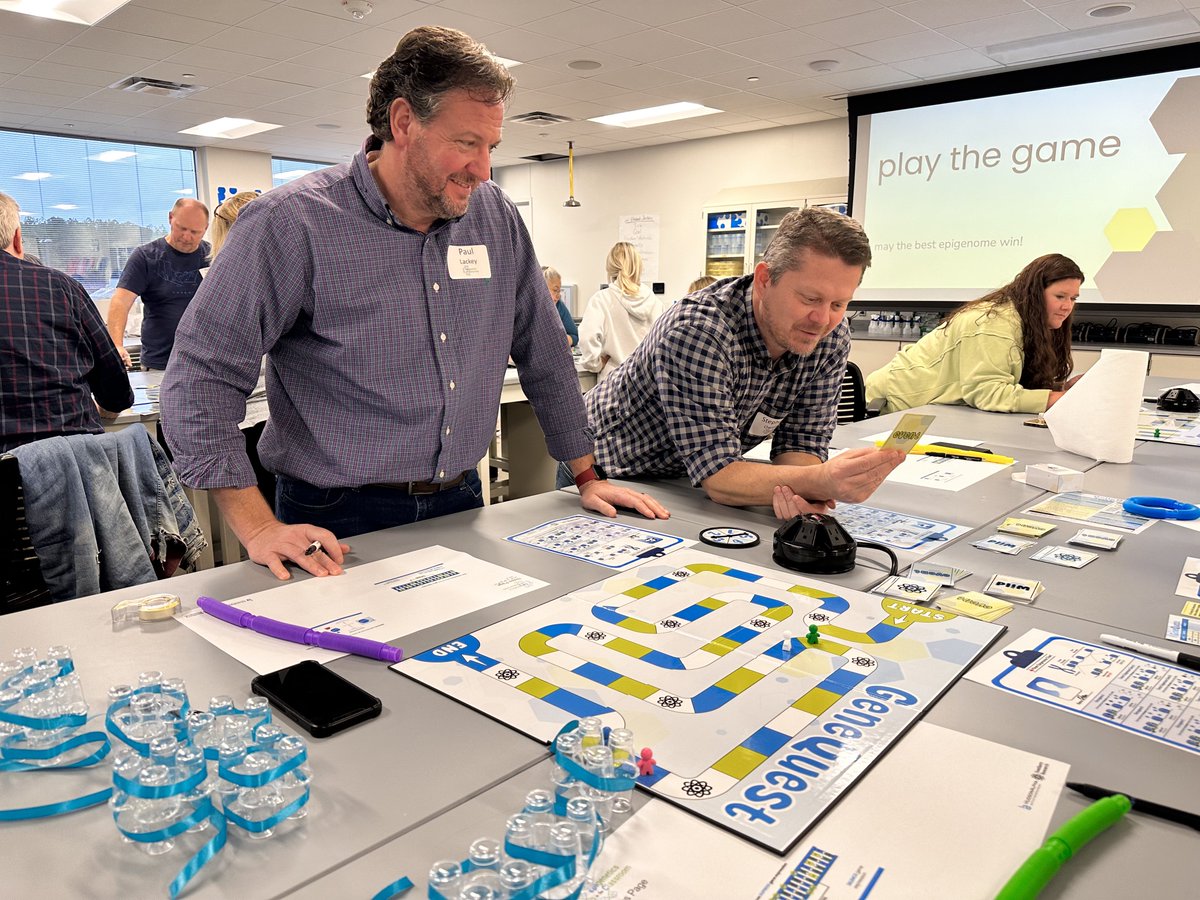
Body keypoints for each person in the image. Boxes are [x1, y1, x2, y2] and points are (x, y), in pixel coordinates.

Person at [161, 26, 667, 582]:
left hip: (462, 499)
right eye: (467, 143)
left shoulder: (494, 216)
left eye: (491, 148)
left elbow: (544, 350)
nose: (483, 169)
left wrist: (587, 476)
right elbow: (200, 377)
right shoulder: (292, 223)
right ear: (403, 122)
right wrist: (257, 527)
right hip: (336, 517)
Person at [585, 207, 904, 521]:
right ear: (764, 280)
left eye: (838, 304)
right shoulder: (699, 330)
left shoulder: (829, 337)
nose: (822, 319)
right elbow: (720, 476)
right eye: (810, 298)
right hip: (607, 472)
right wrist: (820, 481)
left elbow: (801, 442)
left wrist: (806, 495)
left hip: (686, 480)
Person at [865, 254, 1084, 414]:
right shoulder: (994, 322)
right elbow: (987, 393)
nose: (1067, 306)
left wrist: (1062, 389)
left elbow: (1003, 383)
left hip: (933, 409)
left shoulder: (1028, 322)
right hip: (894, 406)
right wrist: (1057, 398)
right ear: (1035, 293)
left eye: (1073, 299)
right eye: (1060, 296)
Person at [0, 191, 132, 452]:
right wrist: (111, 405)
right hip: (73, 455)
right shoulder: (60, 286)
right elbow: (114, 385)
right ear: (17, 239)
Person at [107, 198, 210, 371]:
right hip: (160, 363)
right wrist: (116, 345)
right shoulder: (145, 257)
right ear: (170, 218)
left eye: (195, 232)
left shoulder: (213, 256)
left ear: (205, 228)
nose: (186, 237)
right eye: (181, 228)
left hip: (205, 362)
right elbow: (120, 302)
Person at [577, 242, 667, 382]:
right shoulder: (656, 303)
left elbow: (587, 339)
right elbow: (663, 345)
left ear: (610, 268)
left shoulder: (602, 299)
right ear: (639, 267)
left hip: (613, 384)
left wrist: (596, 364)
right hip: (647, 384)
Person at [542, 265, 578, 347]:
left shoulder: (559, 306)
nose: (559, 295)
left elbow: (575, 336)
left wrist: (565, 340)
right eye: (555, 290)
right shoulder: (528, 307)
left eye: (559, 291)